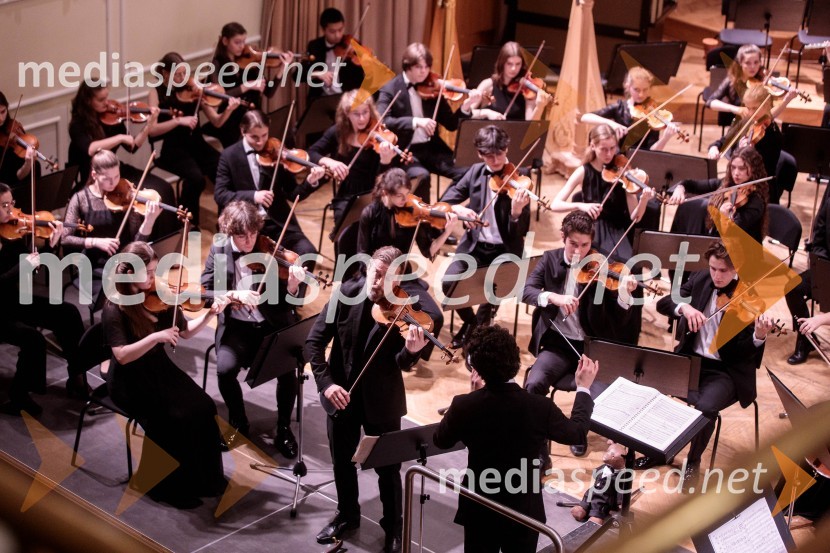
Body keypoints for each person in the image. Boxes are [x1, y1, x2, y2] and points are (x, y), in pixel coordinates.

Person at [305, 246, 428, 552]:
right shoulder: (345, 293)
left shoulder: (404, 306)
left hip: (382, 400)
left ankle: (394, 527)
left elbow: (400, 362)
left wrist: (412, 353)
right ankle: (348, 515)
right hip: (342, 396)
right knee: (342, 462)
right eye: (375, 274)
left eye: (386, 279)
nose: (377, 283)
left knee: (389, 468)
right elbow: (314, 342)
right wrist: (326, 384)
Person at [433, 325, 596, 553]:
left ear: (476, 368)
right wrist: (583, 389)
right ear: (515, 360)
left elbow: (441, 440)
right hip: (523, 510)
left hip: (480, 506)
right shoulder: (540, 407)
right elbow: (576, 433)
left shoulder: (464, 405)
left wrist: (473, 397)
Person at [641, 241, 774, 490]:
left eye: (723, 271)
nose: (717, 275)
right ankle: (658, 450)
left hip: (726, 371)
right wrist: (685, 308)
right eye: (713, 268)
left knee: (705, 408)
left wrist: (758, 336)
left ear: (736, 269)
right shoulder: (701, 279)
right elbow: (664, 303)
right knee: (654, 386)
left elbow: (741, 355)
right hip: (692, 361)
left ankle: (693, 462)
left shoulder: (750, 296)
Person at [104, 241, 227, 509]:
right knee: (172, 418)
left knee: (204, 406)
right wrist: (156, 336)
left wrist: (209, 315)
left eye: (154, 270)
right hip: (129, 380)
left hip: (157, 368)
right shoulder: (115, 306)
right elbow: (122, 355)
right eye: (147, 272)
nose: (153, 277)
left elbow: (184, 331)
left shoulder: (160, 293)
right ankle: (160, 484)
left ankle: (204, 479)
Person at [522, 211, 640, 458]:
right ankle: (537, 443)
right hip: (558, 345)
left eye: (585, 245)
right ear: (562, 237)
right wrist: (554, 297)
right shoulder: (550, 259)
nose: (580, 251)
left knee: (598, 394)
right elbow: (527, 291)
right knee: (533, 383)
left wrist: (625, 295)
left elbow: (620, 321)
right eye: (573, 243)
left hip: (592, 348)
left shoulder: (604, 264)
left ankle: (579, 433)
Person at [200, 200, 305, 456]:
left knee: (288, 369)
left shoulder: (269, 249)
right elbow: (204, 291)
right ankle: (238, 422)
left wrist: (292, 286)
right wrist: (232, 295)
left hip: (271, 326)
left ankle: (283, 428)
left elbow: (292, 301)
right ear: (229, 233)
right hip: (237, 329)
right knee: (224, 370)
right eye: (241, 236)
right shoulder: (219, 248)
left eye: (253, 234)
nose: (249, 241)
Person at [439, 125, 531, 348]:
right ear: (480, 154)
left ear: (506, 149)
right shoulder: (475, 173)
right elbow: (445, 200)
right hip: (474, 246)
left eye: (500, 153)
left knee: (491, 296)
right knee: (448, 284)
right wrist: (460, 211)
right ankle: (471, 324)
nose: (496, 159)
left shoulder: (521, 179)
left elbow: (521, 232)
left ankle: (477, 342)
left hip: (505, 251)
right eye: (489, 155)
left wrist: (516, 212)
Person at [0, 182, 86, 414]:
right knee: (33, 339)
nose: (11, 211)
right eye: (4, 205)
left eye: (12, 204)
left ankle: (76, 374)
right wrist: (22, 267)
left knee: (67, 313)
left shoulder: (12, 231)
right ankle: (19, 395)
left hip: (14, 300)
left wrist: (50, 245)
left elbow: (34, 266)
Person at [358, 167, 457, 358]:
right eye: (400, 196)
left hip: (404, 276)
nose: (406, 200)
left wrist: (447, 231)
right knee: (370, 312)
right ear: (386, 193)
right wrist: (376, 279)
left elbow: (429, 249)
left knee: (434, 317)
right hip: (375, 275)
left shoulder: (412, 214)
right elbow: (362, 253)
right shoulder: (369, 213)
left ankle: (410, 354)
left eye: (407, 194)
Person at [213, 109, 325, 265]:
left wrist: (310, 181)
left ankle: (290, 291)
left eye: (264, 135)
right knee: (262, 267)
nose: (260, 142)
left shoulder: (276, 152)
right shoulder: (229, 156)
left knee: (307, 253)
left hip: (276, 222)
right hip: (246, 227)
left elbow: (293, 194)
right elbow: (220, 194)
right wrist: (253, 196)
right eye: (254, 137)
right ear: (243, 131)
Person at [67, 82, 177, 238]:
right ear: (87, 101)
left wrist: (149, 125)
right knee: (130, 207)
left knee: (163, 188)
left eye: (107, 97)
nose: (107, 103)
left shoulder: (113, 117)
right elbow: (90, 149)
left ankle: (162, 243)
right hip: (93, 177)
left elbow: (133, 145)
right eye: (101, 100)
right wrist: (119, 138)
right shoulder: (77, 125)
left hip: (116, 170)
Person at [376, 42, 479, 199]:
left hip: (432, 148)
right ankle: (423, 221)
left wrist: (466, 106)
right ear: (407, 66)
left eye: (427, 67)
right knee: (422, 176)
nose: (424, 72)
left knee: (468, 172)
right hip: (405, 152)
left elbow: (451, 124)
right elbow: (383, 122)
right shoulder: (390, 89)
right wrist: (416, 121)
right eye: (419, 67)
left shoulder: (433, 87)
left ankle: (441, 208)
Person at [61, 150, 163, 302]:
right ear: (94, 175)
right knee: (127, 291)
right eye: (107, 179)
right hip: (96, 267)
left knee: (150, 286)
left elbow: (137, 243)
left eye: (116, 176)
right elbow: (65, 238)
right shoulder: (81, 199)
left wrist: (149, 221)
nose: (114, 183)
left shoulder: (126, 195)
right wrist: (95, 242)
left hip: (127, 261)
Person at [148, 52, 232, 227]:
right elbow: (152, 131)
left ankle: (224, 220)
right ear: (165, 74)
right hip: (173, 150)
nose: (183, 78)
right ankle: (188, 222)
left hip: (197, 145)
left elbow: (216, 121)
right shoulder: (156, 92)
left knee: (224, 170)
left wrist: (229, 110)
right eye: (177, 74)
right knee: (196, 179)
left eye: (184, 73)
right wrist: (178, 121)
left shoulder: (194, 90)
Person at [549, 124, 654, 262]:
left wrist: (643, 201)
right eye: (604, 149)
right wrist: (581, 206)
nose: (609, 154)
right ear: (593, 146)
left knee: (627, 265)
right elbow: (555, 205)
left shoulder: (623, 170)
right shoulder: (583, 171)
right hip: (591, 229)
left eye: (612, 148)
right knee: (596, 262)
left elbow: (636, 217)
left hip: (617, 229)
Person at [308, 90, 396, 225]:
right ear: (346, 113)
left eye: (365, 112)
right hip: (346, 195)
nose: (362, 118)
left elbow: (384, 179)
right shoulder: (338, 132)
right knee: (345, 227)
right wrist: (329, 161)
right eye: (356, 114)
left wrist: (385, 161)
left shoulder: (378, 134)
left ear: (370, 111)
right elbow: (312, 152)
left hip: (373, 193)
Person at [204, 22, 293, 148]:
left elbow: (269, 92)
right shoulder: (216, 65)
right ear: (225, 41)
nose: (242, 46)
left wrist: (283, 68)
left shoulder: (250, 61)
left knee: (285, 136)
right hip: (231, 120)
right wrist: (247, 86)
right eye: (237, 42)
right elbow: (218, 97)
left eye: (243, 41)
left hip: (254, 117)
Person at [706, 83, 797, 204]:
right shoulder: (746, 122)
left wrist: (747, 152)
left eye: (755, 108)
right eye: (748, 108)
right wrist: (714, 148)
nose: (750, 112)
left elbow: (763, 169)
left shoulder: (774, 135)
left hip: (760, 190)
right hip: (738, 181)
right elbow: (723, 141)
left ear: (767, 105)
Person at [671, 145, 769, 244]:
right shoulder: (725, 184)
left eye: (742, 168)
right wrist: (680, 188)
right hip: (717, 246)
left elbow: (732, 233)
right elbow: (692, 184)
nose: (736, 173)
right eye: (733, 167)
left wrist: (724, 217)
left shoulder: (756, 201)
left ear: (753, 170)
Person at [580, 66, 679, 153]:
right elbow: (585, 117)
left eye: (645, 90)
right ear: (628, 87)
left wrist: (665, 138)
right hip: (618, 159)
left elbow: (652, 152)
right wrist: (612, 124)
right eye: (637, 89)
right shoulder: (620, 108)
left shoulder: (653, 115)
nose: (641, 94)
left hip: (642, 161)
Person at [784, 187, 830, 364]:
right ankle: (806, 339)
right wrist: (822, 266)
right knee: (792, 287)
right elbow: (820, 231)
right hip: (827, 266)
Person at [469, 41, 553, 121]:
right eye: (509, 64)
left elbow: (529, 124)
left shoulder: (526, 88)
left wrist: (539, 107)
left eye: (518, 64)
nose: (514, 69)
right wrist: (486, 113)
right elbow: (467, 114)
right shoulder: (487, 84)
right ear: (502, 63)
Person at [304, 7, 365, 100]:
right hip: (321, 100)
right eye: (332, 31)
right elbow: (297, 76)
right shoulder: (315, 46)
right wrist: (316, 73)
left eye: (340, 30)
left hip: (347, 99)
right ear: (323, 30)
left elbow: (359, 79)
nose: (338, 35)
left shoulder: (352, 44)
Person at [0, 91, 39, 196]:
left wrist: (28, 163)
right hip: (6, 190)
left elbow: (21, 174)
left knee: (36, 166)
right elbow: (11, 178)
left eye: (3, 112)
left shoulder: (13, 126)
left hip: (21, 183)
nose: (1, 118)